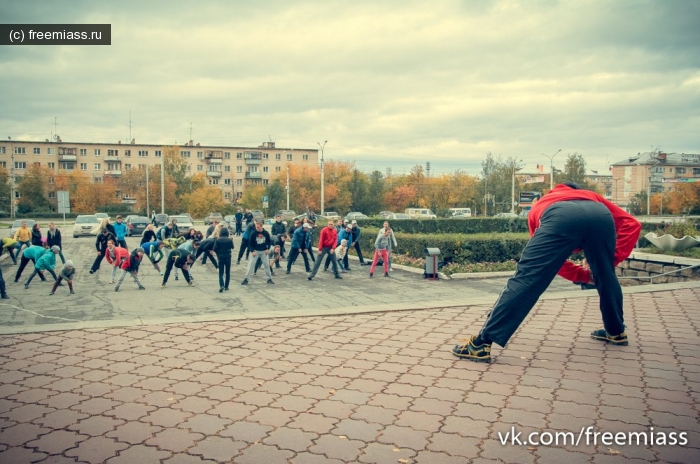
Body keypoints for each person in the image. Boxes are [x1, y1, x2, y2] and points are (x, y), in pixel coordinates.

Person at [453, 183, 642, 364]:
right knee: (606, 275)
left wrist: (581, 275)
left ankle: (481, 344)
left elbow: (546, 265)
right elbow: (632, 224)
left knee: (527, 278)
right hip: (600, 214)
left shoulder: (543, 203)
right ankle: (616, 332)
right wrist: (609, 262)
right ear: (577, 190)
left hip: (560, 216)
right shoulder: (591, 196)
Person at [213, 228, 234, 292]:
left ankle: (221, 285)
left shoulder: (218, 240)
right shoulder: (229, 240)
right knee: (227, 272)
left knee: (221, 272)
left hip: (220, 256)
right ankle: (226, 286)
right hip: (228, 256)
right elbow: (232, 247)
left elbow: (214, 248)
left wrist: (218, 253)